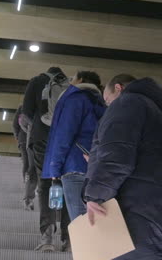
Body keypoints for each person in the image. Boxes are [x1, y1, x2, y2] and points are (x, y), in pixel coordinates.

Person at [83, 74, 162, 260]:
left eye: (107, 100)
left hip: (133, 219)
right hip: (155, 218)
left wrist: (95, 196)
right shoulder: (154, 111)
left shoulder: (126, 103)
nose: (107, 106)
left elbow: (116, 158)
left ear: (118, 88)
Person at [41, 71, 106, 221]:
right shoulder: (99, 103)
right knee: (94, 221)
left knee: (81, 222)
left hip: (74, 166)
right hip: (95, 166)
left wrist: (55, 168)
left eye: (73, 79)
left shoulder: (75, 99)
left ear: (80, 80)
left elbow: (64, 134)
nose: (70, 82)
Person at [22, 67, 70, 252]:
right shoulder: (71, 86)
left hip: (41, 139)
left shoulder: (36, 81)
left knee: (45, 184)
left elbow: (26, 114)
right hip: (65, 140)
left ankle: (47, 237)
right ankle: (68, 238)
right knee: (66, 186)